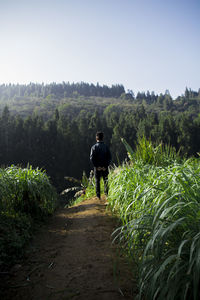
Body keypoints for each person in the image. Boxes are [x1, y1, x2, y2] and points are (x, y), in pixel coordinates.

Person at [90, 132, 112, 199]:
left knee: (97, 181)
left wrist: (97, 166)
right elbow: (109, 157)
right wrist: (105, 166)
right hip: (105, 167)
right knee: (106, 181)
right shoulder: (106, 147)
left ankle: (98, 196)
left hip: (97, 168)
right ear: (103, 138)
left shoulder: (94, 147)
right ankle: (107, 195)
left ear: (96, 138)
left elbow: (92, 158)